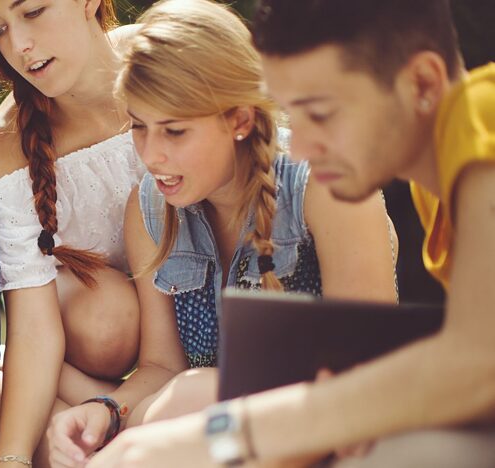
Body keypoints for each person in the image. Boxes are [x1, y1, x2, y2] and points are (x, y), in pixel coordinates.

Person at [84, 0, 495, 466]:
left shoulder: (482, 125)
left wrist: (218, 435)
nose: (298, 146)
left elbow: (476, 365)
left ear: (421, 83)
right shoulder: (441, 183)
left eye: (320, 113)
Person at [45, 1, 398, 466]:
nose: (151, 156)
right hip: (209, 433)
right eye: (139, 127)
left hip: (327, 432)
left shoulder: (326, 186)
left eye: (174, 132)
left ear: (240, 120)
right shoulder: (150, 209)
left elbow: (369, 369)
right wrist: (108, 409)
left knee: (195, 395)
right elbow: (162, 367)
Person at [0, 0, 145, 466]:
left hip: (189, 316)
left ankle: (107, 422)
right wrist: (12, 457)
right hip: (86, 346)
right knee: (107, 318)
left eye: (33, 12)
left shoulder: (169, 57)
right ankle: (95, 416)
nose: (19, 45)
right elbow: (33, 325)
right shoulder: (2, 145)